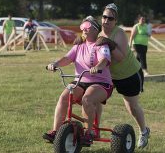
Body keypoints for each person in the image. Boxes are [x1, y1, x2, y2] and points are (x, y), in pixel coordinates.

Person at [43, 16, 114, 145]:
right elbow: (66, 58)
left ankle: (88, 133)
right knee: (64, 98)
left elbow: (104, 60)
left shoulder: (101, 44)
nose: (84, 30)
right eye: (82, 27)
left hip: (101, 83)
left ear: (95, 29)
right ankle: (56, 131)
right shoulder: (79, 45)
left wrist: (97, 67)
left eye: (87, 27)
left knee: (87, 99)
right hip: (80, 81)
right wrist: (55, 64)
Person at [98, 3, 150, 149]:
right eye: (104, 17)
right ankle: (93, 130)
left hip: (130, 74)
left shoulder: (119, 33)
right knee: (96, 99)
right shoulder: (99, 34)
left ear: (115, 21)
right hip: (110, 76)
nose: (106, 21)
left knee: (131, 106)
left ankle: (144, 131)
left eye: (110, 18)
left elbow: (120, 57)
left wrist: (109, 42)